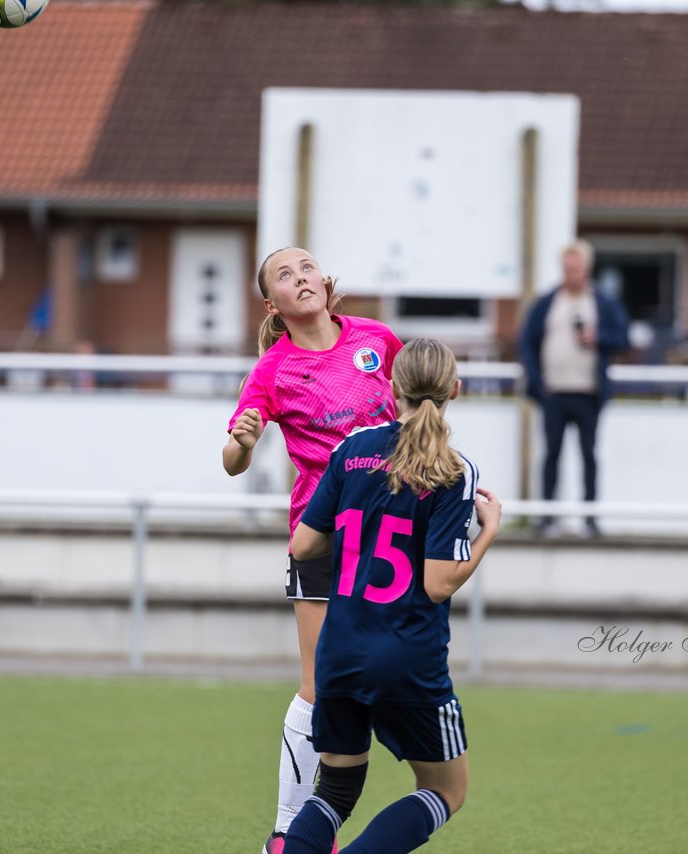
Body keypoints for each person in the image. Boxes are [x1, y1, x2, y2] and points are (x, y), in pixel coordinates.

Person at [282, 337, 502, 854]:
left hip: (340, 652)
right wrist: (488, 533)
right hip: (407, 658)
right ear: (454, 390)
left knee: (334, 791)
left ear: (390, 387)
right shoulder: (453, 469)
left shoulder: (351, 451)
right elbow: (438, 583)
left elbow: (303, 544)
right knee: (446, 790)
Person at [223, 247, 403, 854]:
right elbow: (231, 459)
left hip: (389, 536)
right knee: (319, 683)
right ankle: (287, 831)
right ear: (272, 304)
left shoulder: (377, 338)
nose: (301, 277)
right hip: (320, 535)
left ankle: (323, 817)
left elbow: (414, 414)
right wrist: (243, 443)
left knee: (378, 677)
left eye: (306, 267)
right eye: (284, 274)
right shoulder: (272, 371)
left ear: (324, 282)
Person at [517, 238, 629, 536]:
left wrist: (598, 338)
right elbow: (526, 342)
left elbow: (624, 338)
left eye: (576, 269)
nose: (571, 274)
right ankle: (546, 517)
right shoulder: (546, 303)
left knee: (589, 456)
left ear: (587, 268)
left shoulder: (602, 302)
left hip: (589, 394)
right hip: (553, 394)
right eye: (567, 269)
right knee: (550, 456)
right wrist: (538, 384)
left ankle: (590, 518)